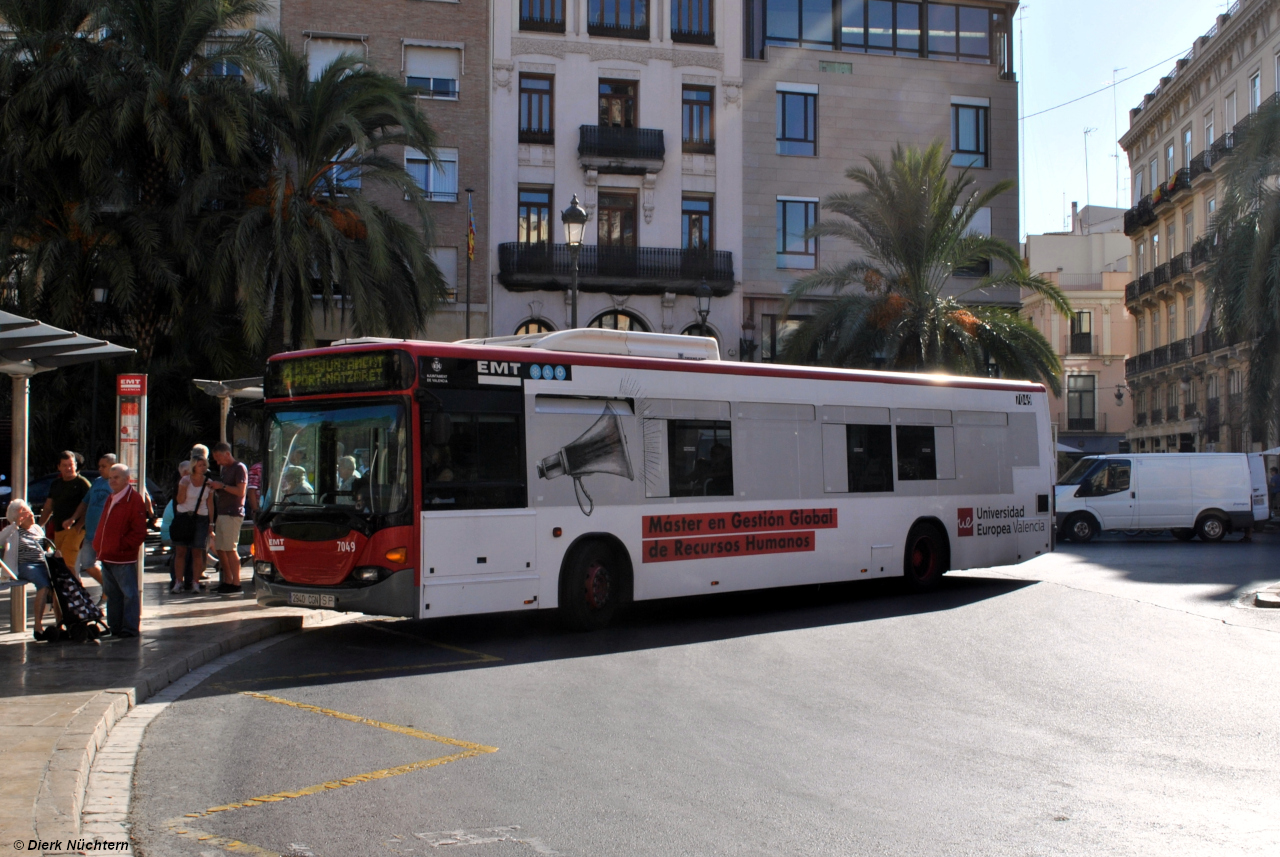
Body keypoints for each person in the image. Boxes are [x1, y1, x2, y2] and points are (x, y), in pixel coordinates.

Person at [93, 464, 148, 639]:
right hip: (107, 554)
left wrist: (122, 546)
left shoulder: (134, 500)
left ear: (127, 480)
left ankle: (130, 628)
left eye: (116, 477)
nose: (112, 481)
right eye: (110, 477)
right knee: (112, 594)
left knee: (129, 594)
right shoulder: (112, 497)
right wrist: (99, 545)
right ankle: (115, 627)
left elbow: (139, 531)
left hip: (122, 557)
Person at [1, 499, 62, 641]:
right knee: (44, 585)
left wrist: (54, 553)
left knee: (58, 585)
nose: (32, 516)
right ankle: (37, 626)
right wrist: (14, 525)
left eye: (31, 513)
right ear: (17, 517)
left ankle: (60, 623)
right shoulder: (12, 531)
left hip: (43, 563)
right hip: (25, 565)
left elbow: (45, 547)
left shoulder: (37, 528)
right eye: (27, 514)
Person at [66, 454, 115, 594]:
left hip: (106, 533)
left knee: (108, 566)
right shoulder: (97, 482)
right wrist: (74, 518)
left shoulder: (116, 483)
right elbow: (85, 502)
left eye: (103, 466)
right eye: (99, 466)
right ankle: (109, 590)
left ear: (113, 466)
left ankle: (109, 594)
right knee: (87, 563)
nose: (100, 469)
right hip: (91, 532)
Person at [41, 451, 91, 574]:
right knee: (60, 562)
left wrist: (79, 525)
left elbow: (90, 506)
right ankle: (69, 591)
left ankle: (74, 592)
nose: (69, 468)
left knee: (68, 564)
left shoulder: (82, 483)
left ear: (76, 465)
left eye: (71, 464)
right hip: (59, 529)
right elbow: (48, 507)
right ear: (59, 467)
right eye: (65, 465)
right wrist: (39, 525)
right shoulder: (56, 484)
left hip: (76, 529)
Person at [171, 456, 214, 593]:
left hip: (201, 518)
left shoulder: (209, 482)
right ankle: (178, 582)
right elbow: (180, 500)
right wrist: (183, 487)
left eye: (204, 465)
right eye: (200, 465)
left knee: (197, 551)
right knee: (180, 551)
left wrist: (211, 522)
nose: (203, 467)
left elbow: (210, 504)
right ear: (194, 466)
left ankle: (195, 582)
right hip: (184, 516)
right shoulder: (185, 480)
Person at [209, 442, 248, 594]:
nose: (218, 462)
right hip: (223, 512)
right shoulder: (225, 469)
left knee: (230, 549)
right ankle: (227, 580)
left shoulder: (239, 468)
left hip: (233, 513)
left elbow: (240, 491)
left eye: (219, 458)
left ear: (227, 454)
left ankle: (236, 583)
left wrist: (222, 486)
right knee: (220, 548)